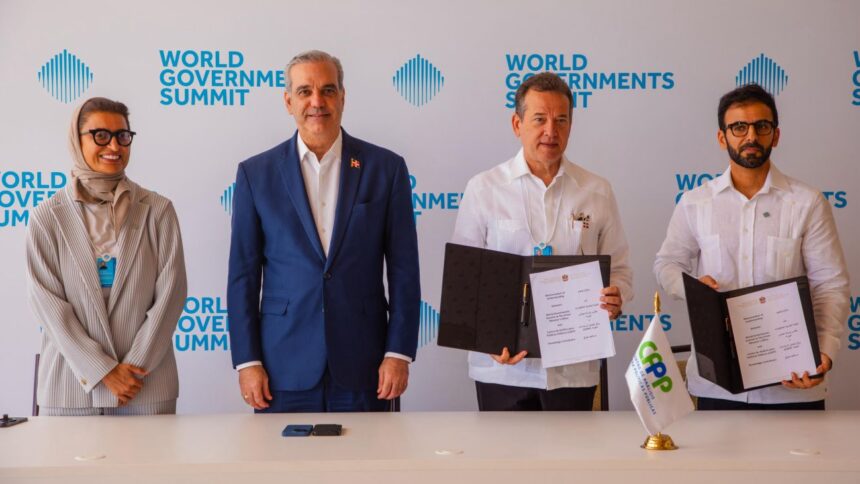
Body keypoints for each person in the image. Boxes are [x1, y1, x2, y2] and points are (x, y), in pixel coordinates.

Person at [228, 50, 420, 413]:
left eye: (328, 90)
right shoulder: (256, 174)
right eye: (305, 91)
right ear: (288, 101)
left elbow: (404, 270)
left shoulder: (386, 168)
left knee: (368, 453)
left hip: (367, 365)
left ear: (342, 98)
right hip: (281, 367)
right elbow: (243, 276)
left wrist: (398, 353)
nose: (317, 102)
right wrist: (247, 361)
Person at [654, 83, 849, 410]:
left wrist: (824, 353)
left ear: (776, 135)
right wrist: (693, 288)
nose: (751, 136)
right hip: (717, 386)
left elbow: (829, 285)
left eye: (762, 126)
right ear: (722, 138)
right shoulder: (695, 202)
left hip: (792, 382)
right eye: (739, 127)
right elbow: (666, 264)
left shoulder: (807, 202)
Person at [451, 72, 633, 411]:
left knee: (570, 449)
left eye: (561, 120)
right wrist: (485, 338)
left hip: (572, 370)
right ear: (517, 124)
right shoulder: (484, 188)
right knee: (504, 450)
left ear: (571, 126)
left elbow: (620, 270)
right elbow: (465, 282)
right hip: (502, 369)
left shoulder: (597, 191)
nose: (551, 131)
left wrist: (616, 295)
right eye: (539, 119)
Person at [26, 97, 187, 416]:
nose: (114, 146)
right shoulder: (47, 217)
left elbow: (171, 294)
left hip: (145, 384)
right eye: (100, 135)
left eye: (122, 136)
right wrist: (103, 370)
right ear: (77, 139)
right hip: (70, 387)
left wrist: (133, 369)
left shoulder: (158, 211)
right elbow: (47, 304)